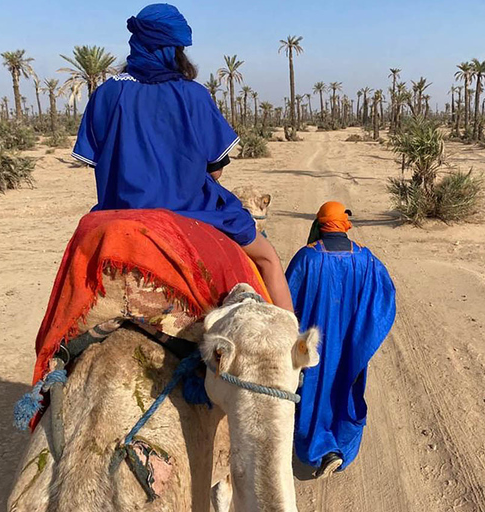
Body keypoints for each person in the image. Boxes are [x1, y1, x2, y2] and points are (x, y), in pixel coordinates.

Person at [71, 4, 292, 311]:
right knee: (268, 260)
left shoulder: (105, 94)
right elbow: (215, 173)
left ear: (136, 44)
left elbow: (95, 162)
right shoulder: (193, 95)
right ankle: (294, 351)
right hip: (190, 215)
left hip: (120, 216)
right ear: (175, 50)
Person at [286, 202, 396, 477]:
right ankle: (338, 449)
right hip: (349, 346)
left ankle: (319, 450)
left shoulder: (307, 258)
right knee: (345, 389)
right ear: (345, 224)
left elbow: (286, 301)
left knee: (311, 391)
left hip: (313, 346)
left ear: (319, 224)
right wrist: (363, 339)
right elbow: (385, 299)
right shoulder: (365, 258)